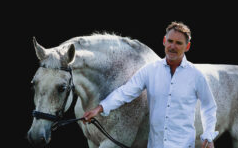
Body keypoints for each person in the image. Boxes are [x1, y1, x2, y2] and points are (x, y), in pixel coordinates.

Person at [83, 22, 218, 148]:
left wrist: (208, 135)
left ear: (187, 46)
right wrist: (99, 108)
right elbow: (125, 92)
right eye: (170, 41)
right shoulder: (150, 70)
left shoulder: (196, 75)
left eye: (178, 43)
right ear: (164, 41)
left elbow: (209, 106)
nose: (172, 46)